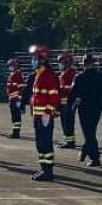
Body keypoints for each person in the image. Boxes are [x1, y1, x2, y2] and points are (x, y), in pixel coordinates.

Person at [69, 53, 102, 167]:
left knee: (89, 133)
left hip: (84, 108)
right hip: (96, 107)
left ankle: (94, 157)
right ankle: (86, 150)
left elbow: (73, 94)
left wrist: (71, 106)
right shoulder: (101, 76)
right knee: (90, 132)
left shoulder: (79, 77)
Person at [28, 46, 60, 181]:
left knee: (46, 143)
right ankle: (43, 168)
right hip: (38, 116)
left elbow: (54, 96)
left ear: (42, 60)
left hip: (44, 116)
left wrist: (47, 113)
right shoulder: (39, 74)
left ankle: (48, 171)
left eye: (35, 58)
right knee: (40, 144)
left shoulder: (48, 75)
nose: (32, 61)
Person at [57, 53, 78, 149]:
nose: (60, 64)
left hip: (68, 103)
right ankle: (68, 140)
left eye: (62, 62)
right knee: (65, 122)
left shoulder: (71, 73)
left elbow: (68, 89)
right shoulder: (64, 73)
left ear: (67, 62)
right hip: (63, 103)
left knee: (68, 122)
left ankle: (70, 142)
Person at [5, 57, 25, 139]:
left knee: (16, 116)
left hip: (16, 99)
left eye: (11, 65)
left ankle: (16, 133)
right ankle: (15, 131)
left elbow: (21, 88)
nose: (10, 67)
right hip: (12, 99)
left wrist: (19, 100)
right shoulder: (13, 75)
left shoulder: (18, 75)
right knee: (14, 116)